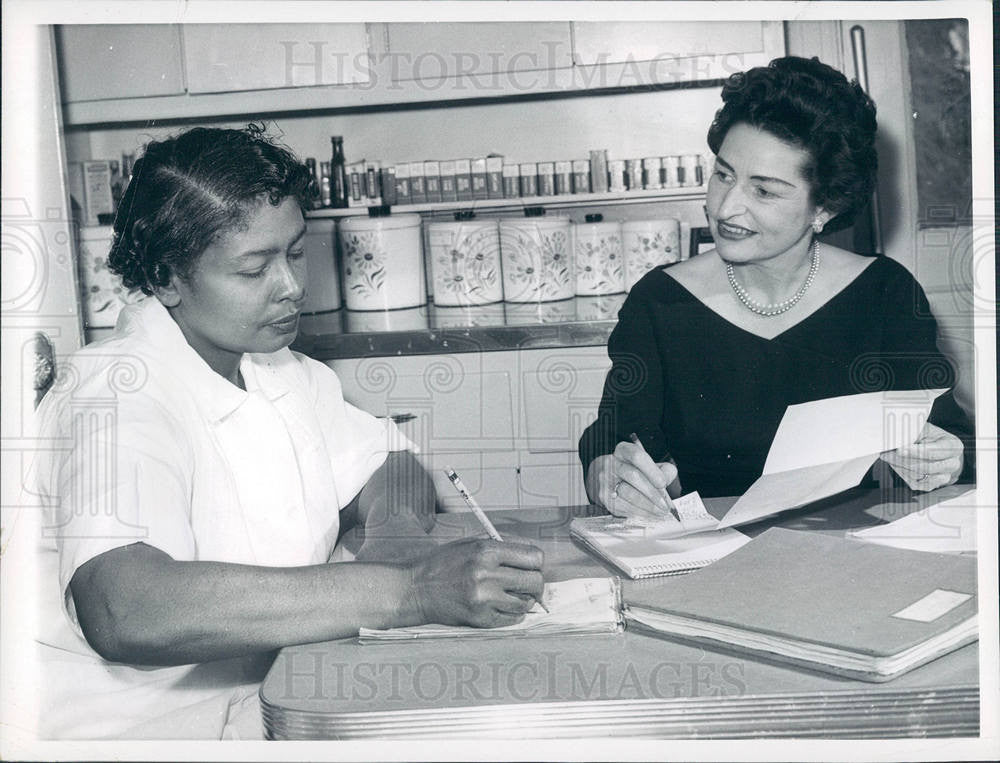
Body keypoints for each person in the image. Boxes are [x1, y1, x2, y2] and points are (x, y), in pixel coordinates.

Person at [30, 125, 544, 739]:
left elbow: (390, 464)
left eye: (295, 253)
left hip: (276, 697)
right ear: (166, 277)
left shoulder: (277, 369)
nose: (293, 287)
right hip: (140, 734)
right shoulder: (115, 396)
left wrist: (396, 540)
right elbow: (124, 608)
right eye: (254, 269)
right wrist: (406, 591)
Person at [579, 56, 972, 520]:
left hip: (851, 551)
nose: (726, 208)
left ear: (823, 208)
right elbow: (612, 438)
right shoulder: (660, 301)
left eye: (763, 191)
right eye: (723, 175)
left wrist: (947, 457)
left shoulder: (883, 293)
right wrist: (606, 473)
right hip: (707, 556)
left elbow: (946, 432)